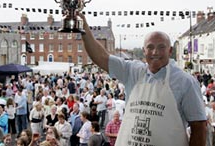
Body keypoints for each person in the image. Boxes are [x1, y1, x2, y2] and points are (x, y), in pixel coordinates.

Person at [79, 13, 207, 146]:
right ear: (144, 51)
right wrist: (84, 29)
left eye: (161, 47)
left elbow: (199, 127)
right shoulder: (132, 71)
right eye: (150, 47)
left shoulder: (185, 82)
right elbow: (102, 57)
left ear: (170, 51)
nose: (155, 52)